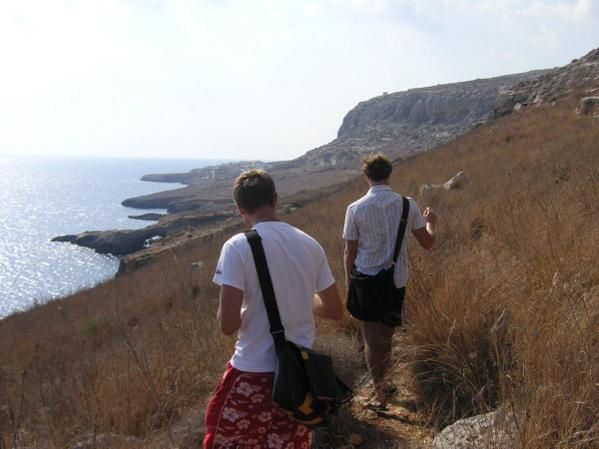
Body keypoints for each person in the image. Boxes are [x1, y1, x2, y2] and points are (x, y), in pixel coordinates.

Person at [204, 169, 343, 449]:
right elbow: (333, 309)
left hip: (250, 376)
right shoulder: (310, 244)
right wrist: (300, 301)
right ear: (276, 199)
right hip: (299, 383)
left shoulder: (237, 247)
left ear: (240, 208)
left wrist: (246, 310)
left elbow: (227, 325)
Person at [342, 153, 437, 411]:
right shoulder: (408, 205)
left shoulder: (355, 209)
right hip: (396, 280)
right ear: (389, 174)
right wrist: (431, 224)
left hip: (366, 280)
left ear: (367, 176)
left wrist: (349, 284)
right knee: (386, 337)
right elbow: (427, 244)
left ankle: (380, 394)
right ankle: (384, 383)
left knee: (371, 340)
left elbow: (350, 252)